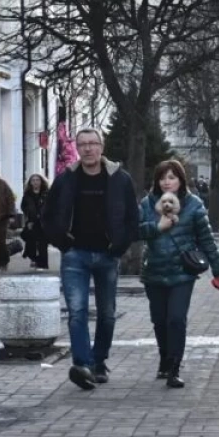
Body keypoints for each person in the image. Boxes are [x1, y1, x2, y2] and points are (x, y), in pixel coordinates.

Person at [43, 127, 139, 390]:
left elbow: (133, 217)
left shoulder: (119, 179)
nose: (87, 149)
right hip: (76, 256)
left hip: (108, 255)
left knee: (107, 314)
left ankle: (99, 362)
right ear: (77, 148)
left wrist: (119, 246)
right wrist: (63, 243)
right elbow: (47, 216)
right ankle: (82, 365)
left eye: (92, 144)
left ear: (101, 147)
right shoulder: (66, 180)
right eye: (82, 144)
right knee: (77, 312)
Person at [139, 159, 219, 388]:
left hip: (182, 272)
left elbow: (206, 240)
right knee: (159, 320)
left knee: (176, 319)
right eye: (163, 178)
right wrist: (157, 227)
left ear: (180, 180)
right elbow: (134, 231)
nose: (167, 182)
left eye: (172, 177)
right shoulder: (148, 204)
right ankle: (165, 358)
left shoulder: (193, 205)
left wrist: (218, 270)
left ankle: (175, 367)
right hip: (154, 270)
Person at [21, 174, 50, 270]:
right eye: (33, 180)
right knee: (31, 240)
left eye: (37, 180)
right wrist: (28, 217)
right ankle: (33, 258)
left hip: (44, 221)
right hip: (32, 221)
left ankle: (43, 264)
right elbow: (23, 207)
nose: (35, 182)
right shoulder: (27, 195)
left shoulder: (46, 193)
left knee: (43, 243)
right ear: (30, 183)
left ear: (41, 181)